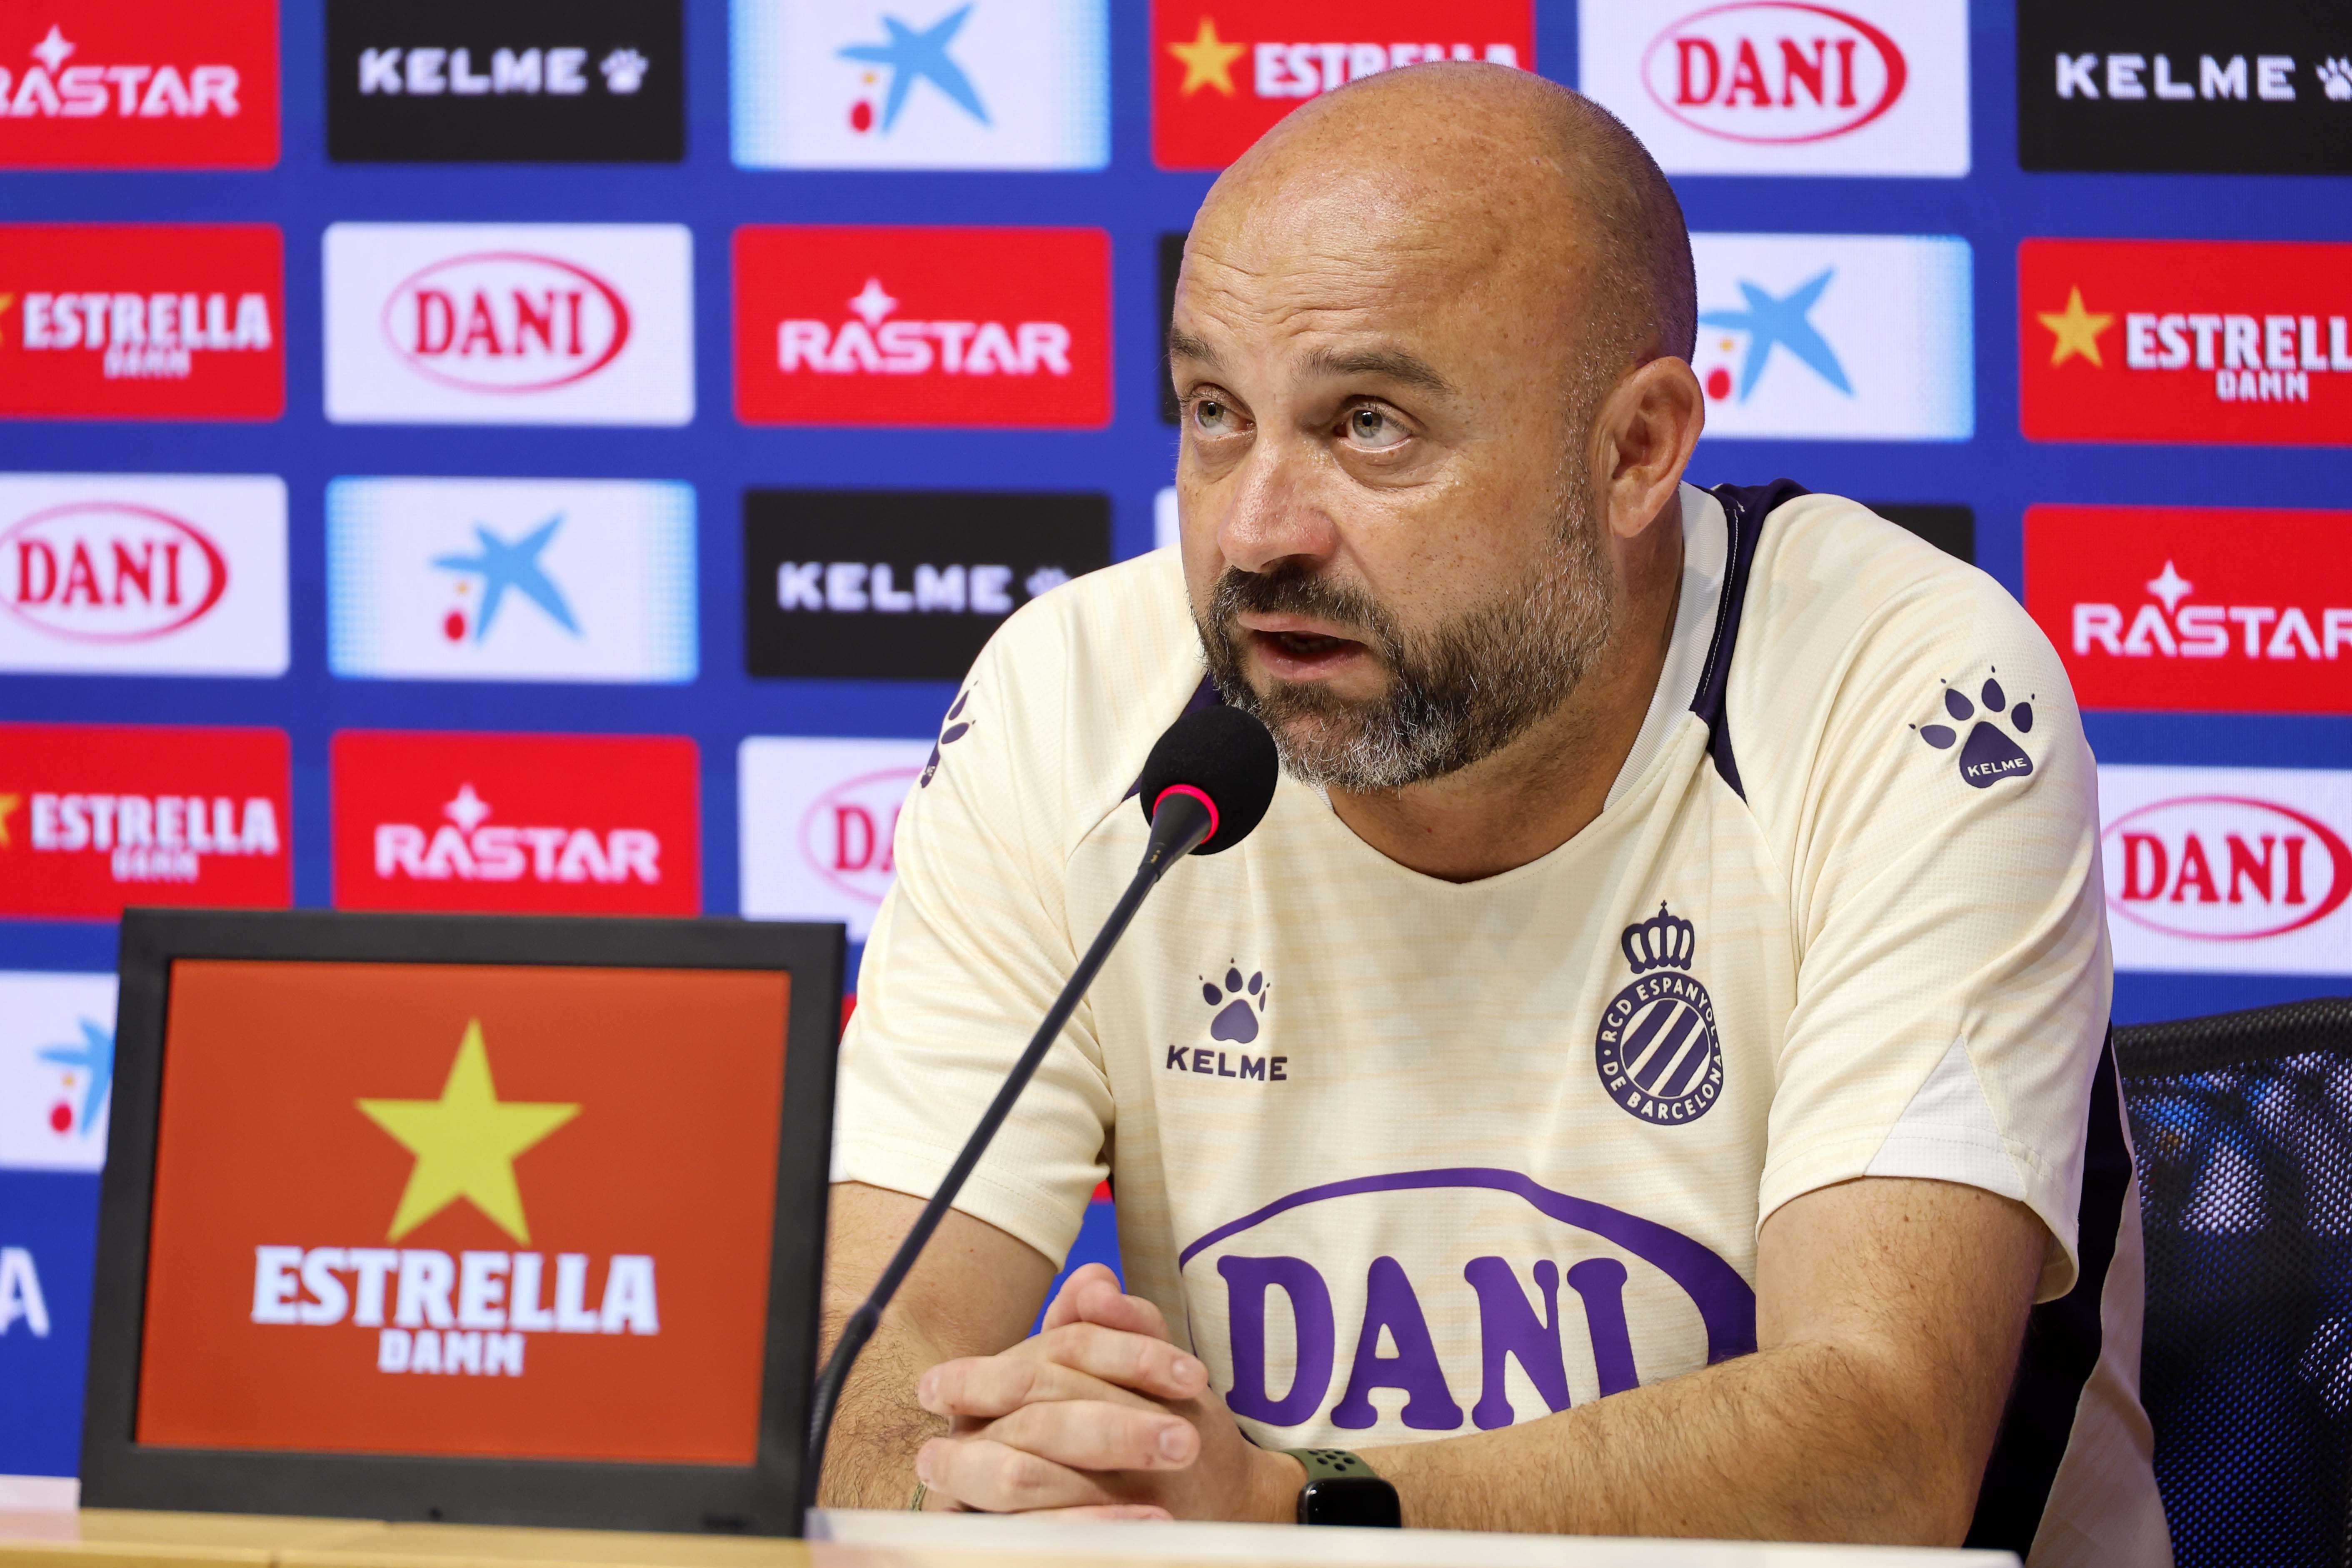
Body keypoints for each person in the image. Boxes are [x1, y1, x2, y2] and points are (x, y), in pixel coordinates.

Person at [819, 62, 2169, 1563]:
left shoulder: (1902, 688)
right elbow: (856, 1341)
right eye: (1214, 413)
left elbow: (1883, 1449)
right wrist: (984, 1480)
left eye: (1370, 425)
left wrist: (1297, 1509)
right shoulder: (1072, 703)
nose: (1256, 532)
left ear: (1635, 450)